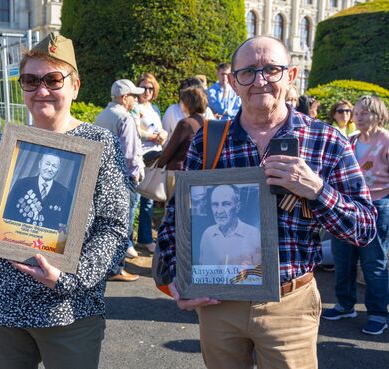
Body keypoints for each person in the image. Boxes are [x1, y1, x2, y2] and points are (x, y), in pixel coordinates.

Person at [157, 36, 377, 369]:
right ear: (233, 82)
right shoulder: (209, 139)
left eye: (271, 70)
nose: (260, 80)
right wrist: (176, 275)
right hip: (219, 302)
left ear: (291, 75)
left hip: (289, 304)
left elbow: (364, 229)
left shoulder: (325, 140)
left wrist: (317, 190)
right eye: (248, 72)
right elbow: (176, 216)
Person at [0, 33, 130, 369]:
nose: (41, 90)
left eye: (53, 79)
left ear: (75, 86)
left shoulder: (98, 143)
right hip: (3, 305)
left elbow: (114, 226)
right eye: (31, 81)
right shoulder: (4, 145)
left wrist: (69, 279)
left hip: (65, 309)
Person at [322, 95, 389, 336]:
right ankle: (344, 305)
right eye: (356, 113)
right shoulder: (349, 141)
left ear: (378, 114)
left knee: (374, 262)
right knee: (343, 258)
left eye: (364, 113)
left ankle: (378, 314)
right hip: (346, 207)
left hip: (378, 206)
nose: (357, 117)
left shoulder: (386, 140)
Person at [94, 78, 144, 281]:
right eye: (133, 96)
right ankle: (116, 268)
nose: (135, 99)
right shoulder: (125, 118)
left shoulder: (101, 116)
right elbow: (130, 154)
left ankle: (108, 266)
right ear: (125, 98)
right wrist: (136, 175)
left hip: (104, 175)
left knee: (107, 223)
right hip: (124, 178)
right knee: (123, 223)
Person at [134, 73, 166, 254]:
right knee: (135, 202)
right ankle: (128, 243)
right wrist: (152, 136)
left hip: (154, 157)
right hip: (140, 158)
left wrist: (163, 135)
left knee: (148, 202)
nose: (147, 91)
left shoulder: (154, 107)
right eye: (144, 87)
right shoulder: (135, 107)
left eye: (150, 88)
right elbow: (134, 129)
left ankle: (145, 239)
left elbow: (159, 128)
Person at [157, 86, 208, 200]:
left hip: (178, 171)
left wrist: (158, 166)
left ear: (187, 103)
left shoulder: (186, 123)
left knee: (174, 211)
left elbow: (170, 149)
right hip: (197, 173)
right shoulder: (207, 122)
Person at [3, 152, 72, 230]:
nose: (50, 169)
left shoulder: (65, 194)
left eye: (54, 166)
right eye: (47, 164)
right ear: (40, 164)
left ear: (58, 170)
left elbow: (63, 227)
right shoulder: (21, 184)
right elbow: (7, 214)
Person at [198, 185, 261, 266]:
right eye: (215, 204)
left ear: (237, 207)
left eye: (226, 204)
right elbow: (201, 270)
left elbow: (259, 273)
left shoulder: (253, 234)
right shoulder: (207, 234)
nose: (219, 211)